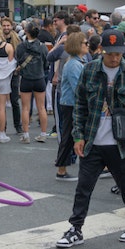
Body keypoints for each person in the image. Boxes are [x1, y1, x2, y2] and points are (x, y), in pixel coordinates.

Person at [56, 29, 125, 248]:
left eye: (118, 53)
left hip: (120, 143)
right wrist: (78, 136)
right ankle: (75, 229)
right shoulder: (89, 71)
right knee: (83, 188)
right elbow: (79, 106)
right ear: (102, 50)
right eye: (110, 53)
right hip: (93, 142)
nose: (115, 58)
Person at [54, 31, 87, 181]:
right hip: (71, 104)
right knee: (68, 136)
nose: (87, 45)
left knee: (71, 136)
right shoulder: (74, 64)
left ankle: (63, 167)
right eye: (85, 43)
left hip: (71, 103)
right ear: (78, 46)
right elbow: (78, 88)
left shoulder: (77, 61)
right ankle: (61, 169)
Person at [15, 23, 49, 144]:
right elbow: (46, 63)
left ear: (27, 32)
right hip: (39, 78)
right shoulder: (42, 47)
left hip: (26, 78)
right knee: (41, 107)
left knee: (25, 107)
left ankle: (26, 134)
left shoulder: (21, 47)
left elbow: (18, 60)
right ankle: (43, 134)